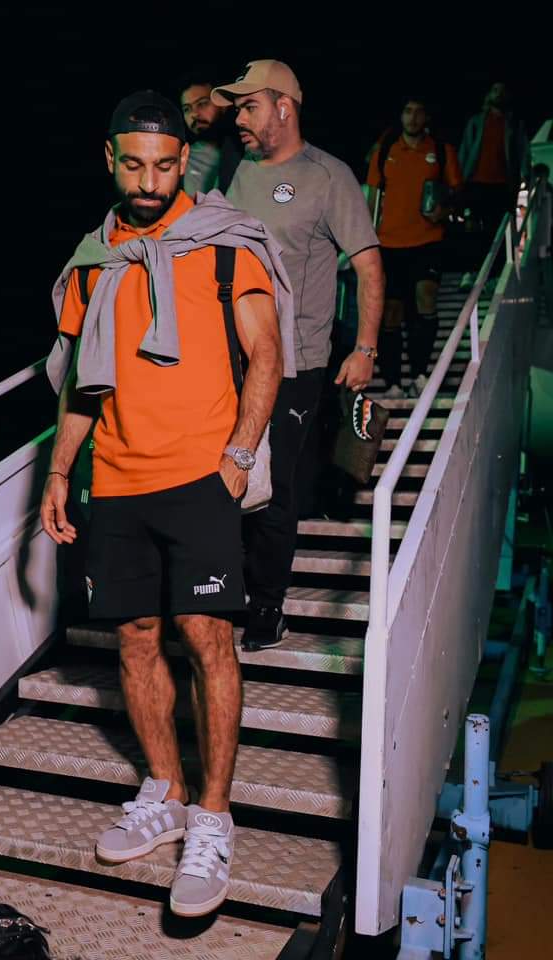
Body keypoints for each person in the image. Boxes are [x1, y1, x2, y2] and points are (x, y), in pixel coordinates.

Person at [41, 90, 292, 918]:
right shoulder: (94, 260)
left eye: (163, 165)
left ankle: (213, 817)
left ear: (185, 161)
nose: (148, 182)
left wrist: (237, 460)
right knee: (136, 637)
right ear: (109, 160)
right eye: (133, 165)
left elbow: (266, 354)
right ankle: (165, 791)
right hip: (115, 480)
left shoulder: (225, 246)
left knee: (207, 638)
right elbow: (81, 383)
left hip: (200, 476)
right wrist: (58, 472)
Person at [211, 59, 384, 649]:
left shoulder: (328, 176)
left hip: (296, 362)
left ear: (284, 107)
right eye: (237, 108)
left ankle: (266, 607)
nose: (239, 118)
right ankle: (224, 589)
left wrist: (364, 348)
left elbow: (369, 266)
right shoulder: (240, 173)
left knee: (275, 484)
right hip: (233, 360)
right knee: (227, 473)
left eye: (249, 106)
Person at [365, 96, 463, 399]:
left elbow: (456, 192)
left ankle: (420, 373)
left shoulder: (441, 150)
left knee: (425, 296)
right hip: (389, 242)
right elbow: (372, 196)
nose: (413, 117)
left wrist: (445, 210)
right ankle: (393, 382)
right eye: (408, 111)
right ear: (400, 116)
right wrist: (366, 239)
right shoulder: (385, 150)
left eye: (419, 111)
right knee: (391, 312)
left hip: (428, 240)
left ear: (427, 117)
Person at [458, 82, 530, 289]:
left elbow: (523, 151)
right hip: (476, 183)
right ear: (488, 95)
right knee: (474, 230)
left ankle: (495, 276)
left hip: (503, 185)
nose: (499, 94)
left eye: (502, 91)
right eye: (495, 90)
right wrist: (459, 180)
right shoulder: (476, 122)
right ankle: (471, 272)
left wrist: (526, 174)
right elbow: (465, 149)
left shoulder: (514, 123)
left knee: (499, 232)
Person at [178, 70, 243, 196]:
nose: (194, 114)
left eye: (202, 104)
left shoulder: (246, 148)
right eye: (187, 109)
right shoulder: (180, 159)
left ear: (222, 104)